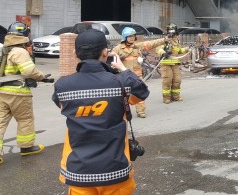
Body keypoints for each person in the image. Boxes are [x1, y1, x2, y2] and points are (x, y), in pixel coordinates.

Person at [52, 28, 149, 193]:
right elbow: (141, 93)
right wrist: (123, 69)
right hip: (115, 169)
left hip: (79, 172)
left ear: (76, 53)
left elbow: (62, 105)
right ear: (106, 52)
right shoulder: (121, 83)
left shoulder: (62, 86)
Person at [0, 22, 52, 165]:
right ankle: (27, 147)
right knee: (25, 120)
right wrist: (41, 76)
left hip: (2, 92)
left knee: (1, 122)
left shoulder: (4, 50)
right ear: (24, 35)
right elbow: (28, 71)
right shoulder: (19, 51)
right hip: (18, 93)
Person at [112, 27, 167, 118]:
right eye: (130, 36)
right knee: (122, 96)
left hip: (136, 76)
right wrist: (119, 59)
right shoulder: (117, 49)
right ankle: (121, 113)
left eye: (134, 36)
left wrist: (164, 40)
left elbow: (151, 43)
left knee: (139, 94)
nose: (132, 38)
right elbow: (112, 63)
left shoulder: (137, 46)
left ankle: (141, 111)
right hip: (123, 77)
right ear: (125, 37)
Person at [155, 23, 188, 104]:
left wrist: (187, 49)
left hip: (175, 64)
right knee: (167, 81)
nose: (171, 33)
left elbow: (179, 51)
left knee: (177, 80)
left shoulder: (177, 40)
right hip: (166, 64)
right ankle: (166, 98)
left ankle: (176, 96)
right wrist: (163, 53)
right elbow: (158, 49)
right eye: (170, 31)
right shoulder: (164, 40)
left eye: (173, 31)